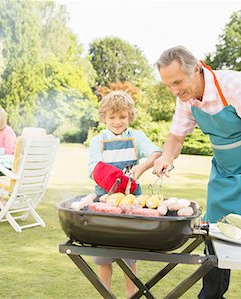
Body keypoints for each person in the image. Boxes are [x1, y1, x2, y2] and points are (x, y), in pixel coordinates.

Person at [152, 46, 241, 299]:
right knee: (215, 238)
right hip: (226, 170)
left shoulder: (234, 85)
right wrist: (166, 156)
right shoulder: (186, 98)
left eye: (177, 82)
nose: (174, 91)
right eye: (168, 85)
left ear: (197, 68)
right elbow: (176, 135)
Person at [88, 90, 161, 298]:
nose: (118, 122)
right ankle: (106, 295)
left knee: (129, 257)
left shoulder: (136, 137)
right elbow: (93, 168)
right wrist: (117, 178)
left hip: (132, 204)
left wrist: (142, 168)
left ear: (130, 116)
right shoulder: (98, 140)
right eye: (112, 117)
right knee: (104, 256)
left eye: (122, 116)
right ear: (104, 117)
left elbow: (156, 153)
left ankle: (132, 296)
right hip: (105, 203)